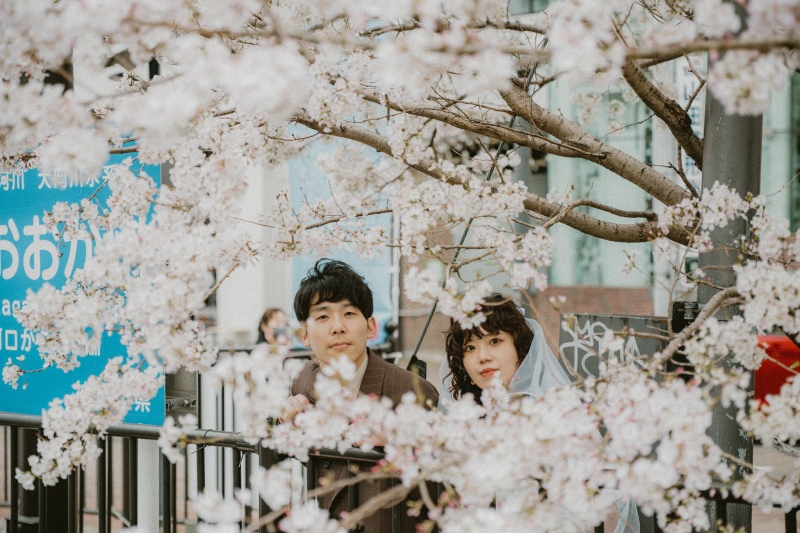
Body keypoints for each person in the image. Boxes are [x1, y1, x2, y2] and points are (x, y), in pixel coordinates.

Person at [441, 293, 639, 533]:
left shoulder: (557, 416)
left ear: (518, 346)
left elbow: (603, 505)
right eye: (470, 347)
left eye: (495, 341)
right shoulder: (469, 422)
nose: (483, 357)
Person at [283, 259, 439, 532]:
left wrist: (402, 441)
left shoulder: (412, 392)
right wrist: (288, 426)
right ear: (304, 334)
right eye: (322, 316)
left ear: (371, 327)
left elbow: (440, 481)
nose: (337, 326)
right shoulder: (303, 380)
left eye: (349, 314)